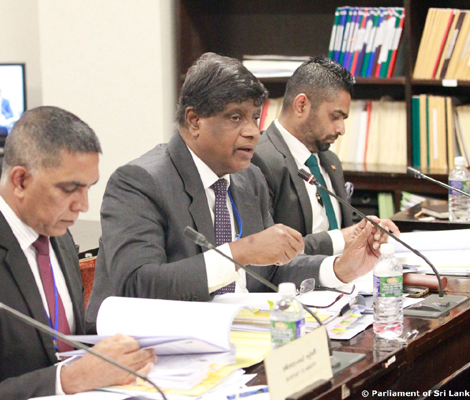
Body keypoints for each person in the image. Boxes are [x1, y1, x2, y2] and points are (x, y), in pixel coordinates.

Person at [86, 52, 388, 332]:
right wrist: (240, 252)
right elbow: (137, 285)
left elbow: (270, 271)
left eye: (255, 117)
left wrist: (338, 268)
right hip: (154, 345)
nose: (253, 131)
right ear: (194, 120)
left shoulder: (248, 178)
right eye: (235, 117)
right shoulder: (140, 182)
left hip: (241, 336)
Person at [0, 106, 155, 399]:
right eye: (70, 189)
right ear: (21, 181)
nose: (83, 205)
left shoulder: (56, 234)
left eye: (88, 188)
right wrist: (69, 379)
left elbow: (64, 342)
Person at [252, 56, 399, 256]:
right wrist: (342, 238)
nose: (341, 129)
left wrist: (366, 232)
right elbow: (264, 252)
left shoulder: (330, 160)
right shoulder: (259, 160)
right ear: (301, 105)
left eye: (343, 119)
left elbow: (344, 232)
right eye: (335, 116)